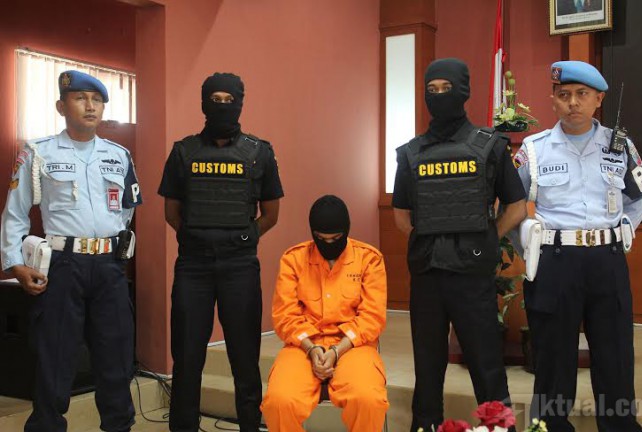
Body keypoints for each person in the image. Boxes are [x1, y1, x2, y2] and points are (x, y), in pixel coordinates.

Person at [0, 70, 141, 432]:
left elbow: (127, 210)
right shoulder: (38, 152)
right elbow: (15, 212)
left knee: (116, 357)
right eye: (80, 98)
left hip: (109, 267)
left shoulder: (119, 156)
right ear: (61, 107)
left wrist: (112, 246)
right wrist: (14, 264)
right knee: (56, 358)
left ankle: (119, 426)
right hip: (63, 266)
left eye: (97, 100)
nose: (90, 106)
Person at [391, 58, 527, 432]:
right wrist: (433, 237)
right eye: (431, 90)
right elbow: (401, 215)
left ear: (463, 91)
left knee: (487, 366)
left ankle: (500, 429)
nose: (438, 96)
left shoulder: (490, 145)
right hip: (428, 275)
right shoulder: (411, 152)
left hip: (472, 276)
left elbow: (516, 206)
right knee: (427, 368)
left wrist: (488, 236)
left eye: (446, 89)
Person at [514, 60, 642, 432]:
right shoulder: (534, 149)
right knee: (553, 354)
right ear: (553, 100)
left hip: (607, 260)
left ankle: (619, 426)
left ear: (598, 99)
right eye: (564, 95)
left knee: (615, 351)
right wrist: (528, 247)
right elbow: (510, 205)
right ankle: (550, 425)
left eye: (581, 94)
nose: (572, 102)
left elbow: (639, 197)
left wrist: (622, 231)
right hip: (556, 261)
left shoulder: (620, 146)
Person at [158, 72, 283, 432]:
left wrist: (243, 237)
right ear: (204, 103)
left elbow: (271, 214)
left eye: (230, 100)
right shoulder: (183, 152)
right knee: (187, 356)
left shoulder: (259, 152)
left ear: (240, 103)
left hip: (239, 266)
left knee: (244, 357)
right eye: (216, 99)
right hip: (193, 267)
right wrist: (198, 237)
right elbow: (171, 212)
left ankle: (250, 425)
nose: (223, 106)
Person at [261, 195, 389, 432]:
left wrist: (337, 350)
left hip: (354, 345)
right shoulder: (293, 259)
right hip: (303, 345)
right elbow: (284, 315)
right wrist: (312, 348)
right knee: (279, 401)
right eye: (321, 238)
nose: (328, 244)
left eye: (336, 238)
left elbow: (372, 316)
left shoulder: (369, 259)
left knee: (368, 399)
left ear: (346, 231)